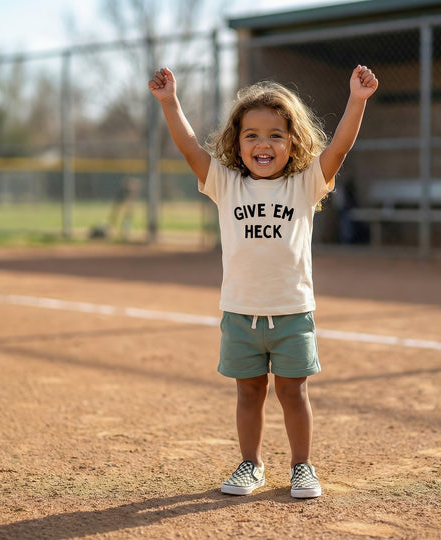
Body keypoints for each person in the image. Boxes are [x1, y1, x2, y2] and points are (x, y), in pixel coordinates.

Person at [148, 65, 378, 498]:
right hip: (240, 314)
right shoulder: (226, 183)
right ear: (237, 142)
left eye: (275, 134)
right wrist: (170, 102)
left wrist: (357, 100)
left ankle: (302, 467)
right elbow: (189, 147)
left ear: (293, 142)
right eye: (251, 134)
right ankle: (250, 464)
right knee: (249, 393)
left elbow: (341, 147)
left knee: (293, 394)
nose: (263, 143)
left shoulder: (306, 183)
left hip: (292, 313)